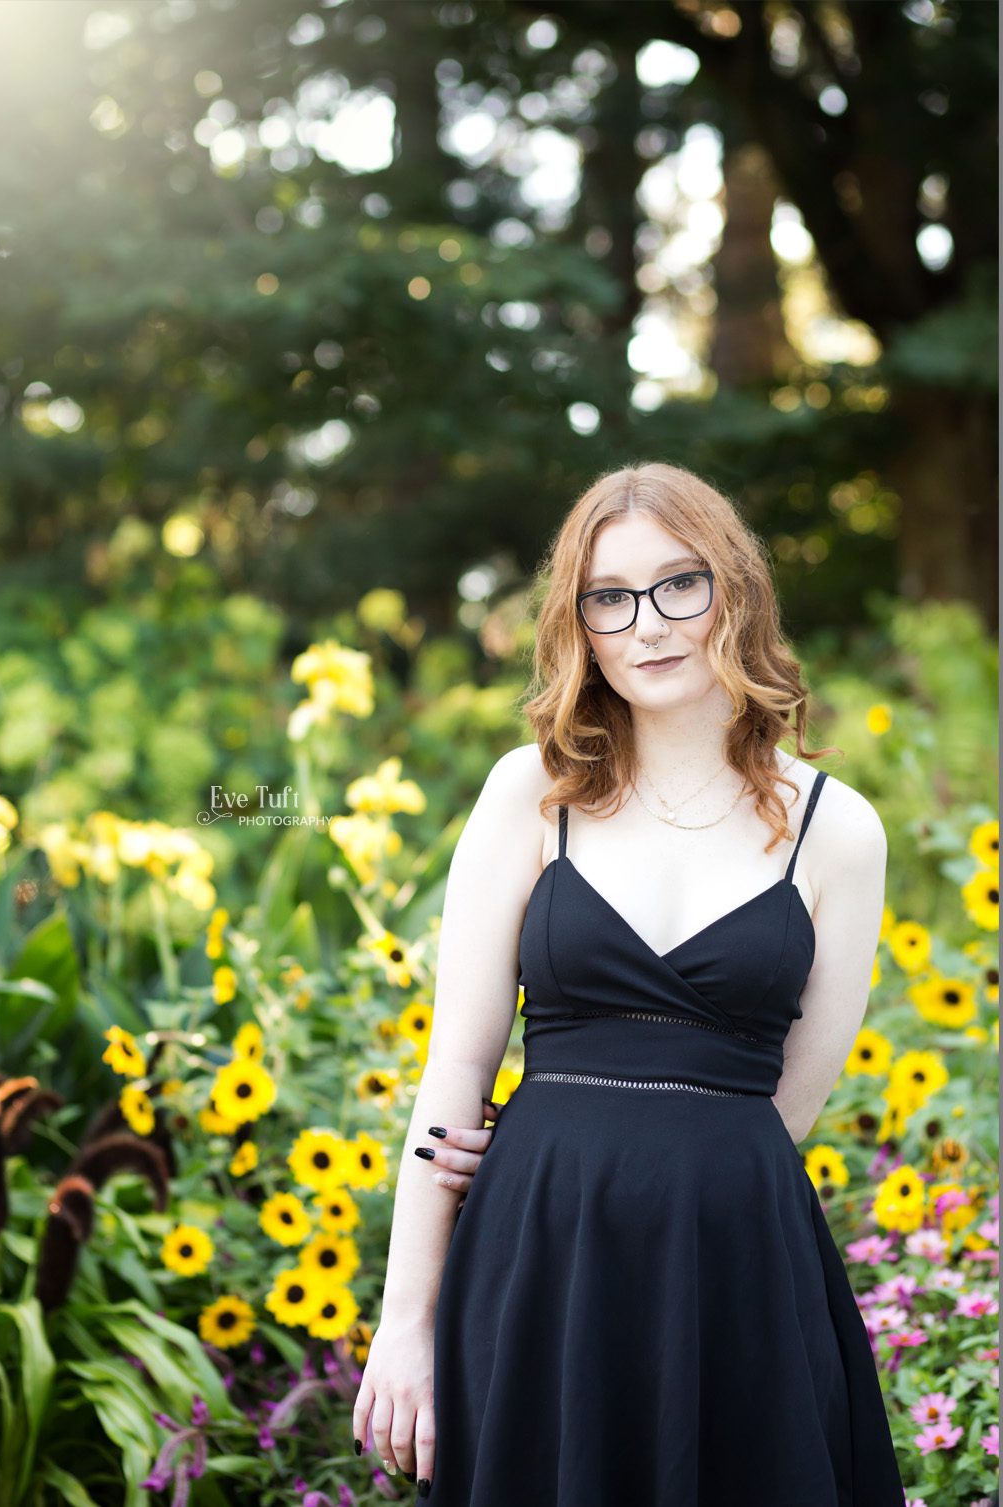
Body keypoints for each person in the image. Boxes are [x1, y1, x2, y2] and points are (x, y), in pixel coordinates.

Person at [351, 464, 905, 1503]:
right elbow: (454, 1070)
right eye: (609, 597)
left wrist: (672, 1177)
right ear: (579, 623)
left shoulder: (837, 830)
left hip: (733, 1264)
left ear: (731, 591)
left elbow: (789, 1102)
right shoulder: (529, 793)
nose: (645, 624)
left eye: (676, 585)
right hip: (538, 1255)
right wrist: (404, 1321)